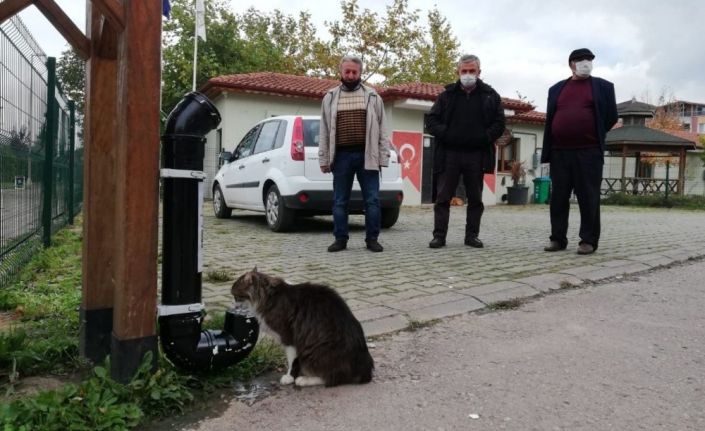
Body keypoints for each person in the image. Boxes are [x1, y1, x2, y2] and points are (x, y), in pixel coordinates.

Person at [541, 48, 618, 255]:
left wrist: (590, 132)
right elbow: (551, 119)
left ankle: (588, 240)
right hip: (560, 152)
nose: (586, 63)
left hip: (589, 152)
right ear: (571, 64)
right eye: (581, 60)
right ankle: (557, 238)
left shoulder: (603, 87)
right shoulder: (556, 89)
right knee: (558, 197)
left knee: (588, 197)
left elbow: (610, 116)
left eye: (589, 59)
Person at [426, 54, 506, 249]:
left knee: (476, 198)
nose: (468, 74)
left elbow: (499, 123)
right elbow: (432, 121)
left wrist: (484, 137)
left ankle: (472, 236)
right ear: (458, 72)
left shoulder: (490, 95)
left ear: (479, 72)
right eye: (465, 71)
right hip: (449, 154)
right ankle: (439, 236)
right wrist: (447, 134)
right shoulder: (447, 95)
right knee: (443, 197)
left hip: (476, 155)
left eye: (472, 71)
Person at [318, 55, 391, 253]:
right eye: (347, 71)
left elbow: (383, 129)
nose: (350, 75)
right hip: (341, 157)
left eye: (354, 72)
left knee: (373, 200)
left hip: (368, 155)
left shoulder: (373, 97)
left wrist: (383, 157)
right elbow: (324, 130)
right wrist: (324, 159)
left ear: (360, 73)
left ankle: (372, 239)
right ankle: (340, 239)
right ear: (341, 72)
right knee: (340, 200)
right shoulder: (330, 97)